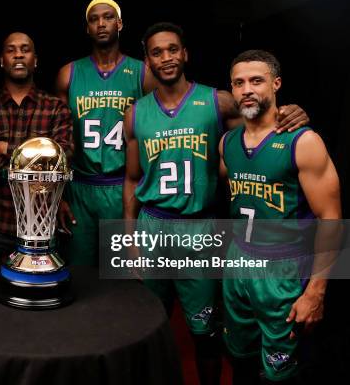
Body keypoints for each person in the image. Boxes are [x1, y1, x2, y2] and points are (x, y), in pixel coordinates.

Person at [123, 22, 310, 385]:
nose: (166, 57)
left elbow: (264, 126)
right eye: (157, 52)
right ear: (147, 61)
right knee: (145, 326)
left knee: (205, 332)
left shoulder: (217, 99)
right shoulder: (135, 113)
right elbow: (131, 178)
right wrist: (128, 237)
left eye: (173, 49)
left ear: (185, 53)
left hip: (200, 225)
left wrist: (295, 113)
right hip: (151, 226)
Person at [219, 50, 341, 385]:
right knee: (240, 359)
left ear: (276, 84)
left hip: (283, 268)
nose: (247, 89)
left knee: (281, 371)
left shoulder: (304, 142)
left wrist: (316, 292)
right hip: (238, 262)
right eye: (239, 82)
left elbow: (331, 220)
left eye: (256, 80)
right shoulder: (227, 143)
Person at [55, 0, 156, 266]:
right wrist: (60, 196)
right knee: (79, 274)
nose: (101, 23)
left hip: (122, 185)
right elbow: (59, 140)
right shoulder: (69, 74)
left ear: (120, 23)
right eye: (94, 19)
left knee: (121, 277)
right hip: (80, 188)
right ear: (87, 28)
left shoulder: (142, 73)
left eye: (108, 17)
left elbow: (158, 130)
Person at [0, 32, 73, 261]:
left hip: (42, 227)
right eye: (11, 50)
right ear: (2, 61)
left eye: (25, 49)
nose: (19, 54)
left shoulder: (55, 108)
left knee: (38, 293)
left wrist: (4, 148)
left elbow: (61, 159)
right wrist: (36, 161)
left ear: (36, 60)